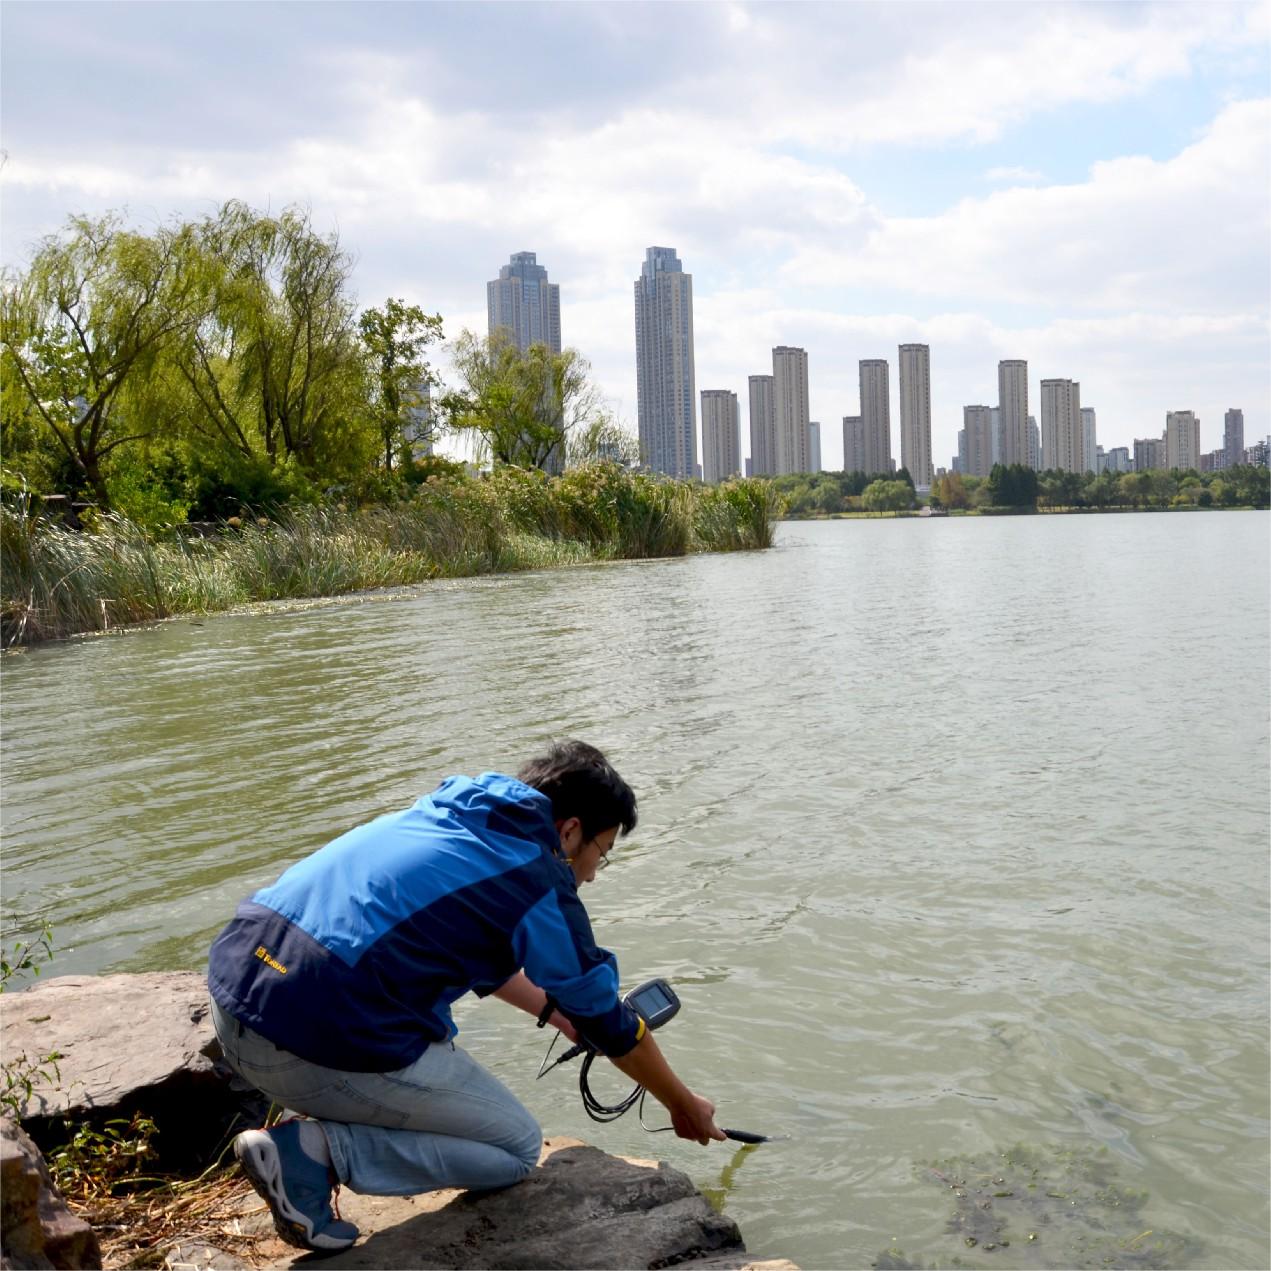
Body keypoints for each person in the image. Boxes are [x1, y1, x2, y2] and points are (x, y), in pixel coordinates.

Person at [207, 740, 724, 1252]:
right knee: (515, 1147)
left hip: (233, 1001)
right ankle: (315, 1155)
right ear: (570, 832)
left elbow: (469, 943)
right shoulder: (536, 878)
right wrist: (682, 1104)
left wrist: (554, 1011)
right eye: (600, 855)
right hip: (301, 1042)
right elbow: (613, 1027)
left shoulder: (453, 812)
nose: (590, 873)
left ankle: (316, 1128)